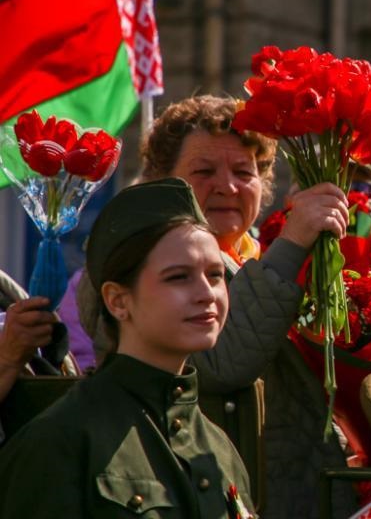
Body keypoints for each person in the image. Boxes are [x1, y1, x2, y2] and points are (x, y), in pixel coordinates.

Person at [77, 95, 356, 518]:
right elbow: (224, 361)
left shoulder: (268, 255)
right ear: (161, 182)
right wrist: (295, 243)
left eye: (245, 172)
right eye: (203, 172)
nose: (227, 186)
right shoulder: (130, 261)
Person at [0, 178, 255, 517]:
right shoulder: (61, 441)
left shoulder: (219, 448)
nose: (206, 293)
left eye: (215, 275)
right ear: (118, 301)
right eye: (178, 277)